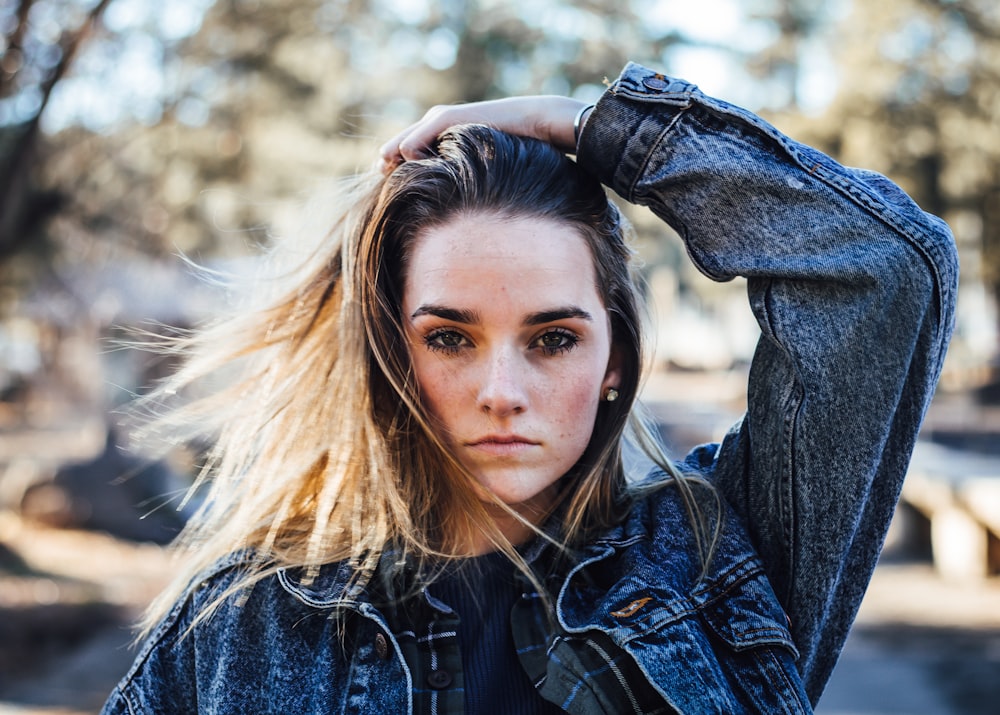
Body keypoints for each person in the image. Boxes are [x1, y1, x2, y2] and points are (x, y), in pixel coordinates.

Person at [101, 62, 957, 714]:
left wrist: (592, 129)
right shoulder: (241, 626)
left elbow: (883, 270)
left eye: (552, 338)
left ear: (615, 357)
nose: (501, 390)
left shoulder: (716, 564)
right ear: (390, 354)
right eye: (448, 337)